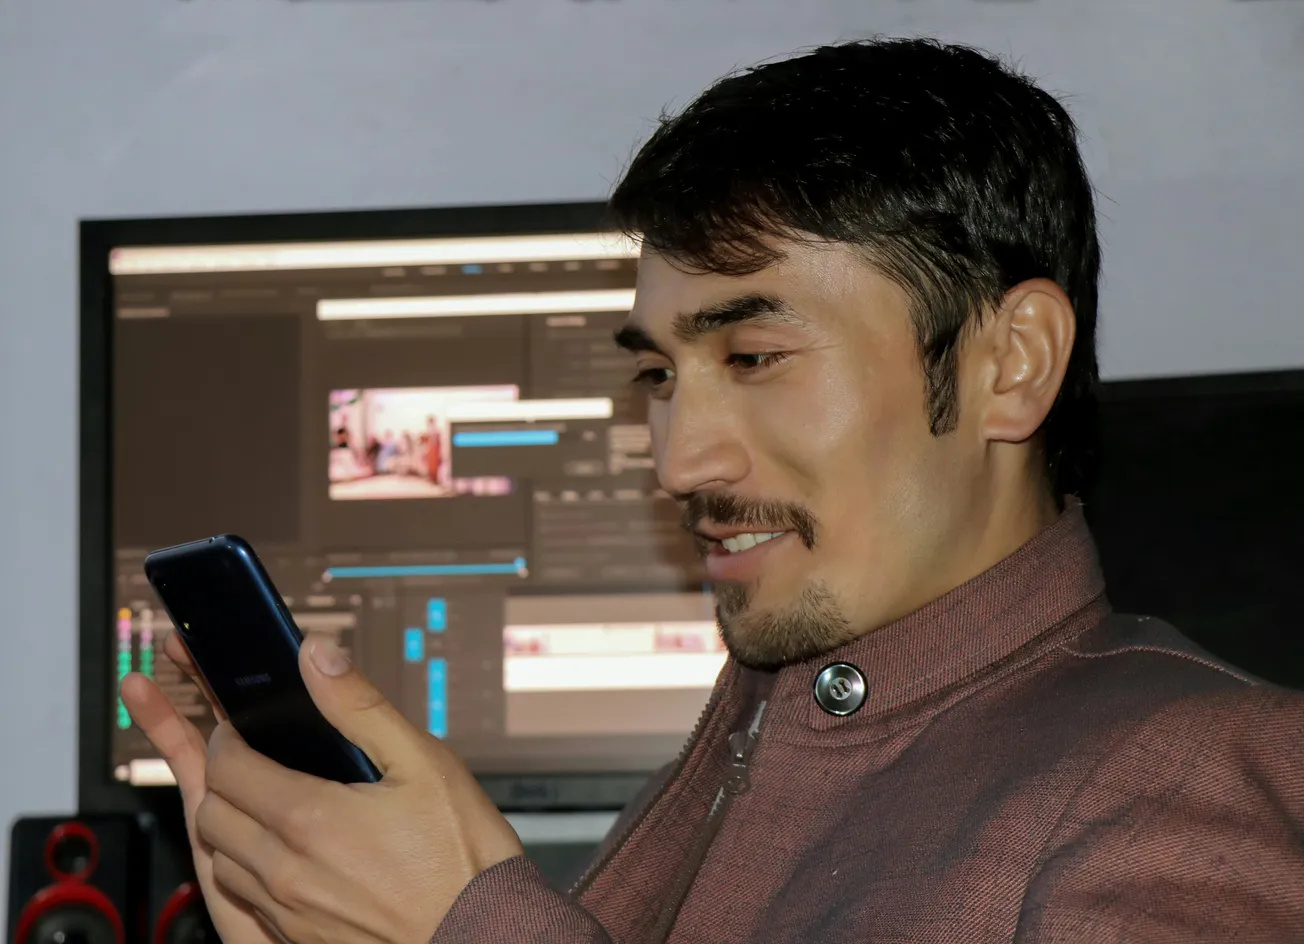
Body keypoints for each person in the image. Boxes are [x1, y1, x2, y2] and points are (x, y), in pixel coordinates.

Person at [120, 37, 1304, 944]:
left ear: (1010, 364)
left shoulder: (1196, 771)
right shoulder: (746, 736)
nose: (678, 458)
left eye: (752, 358)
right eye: (657, 373)